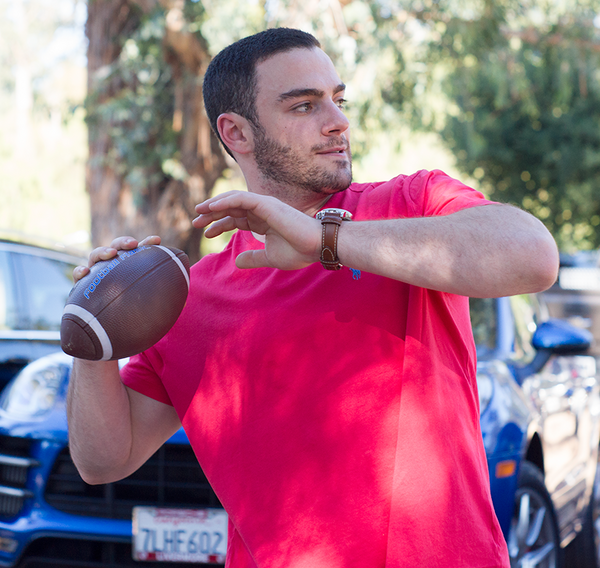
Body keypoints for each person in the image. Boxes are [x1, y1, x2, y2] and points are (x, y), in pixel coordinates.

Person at [67, 27, 559, 568]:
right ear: (237, 133)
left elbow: (534, 256)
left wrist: (327, 240)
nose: (338, 121)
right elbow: (102, 461)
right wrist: (94, 332)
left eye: (338, 99)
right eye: (304, 105)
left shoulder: (410, 204)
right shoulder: (189, 299)